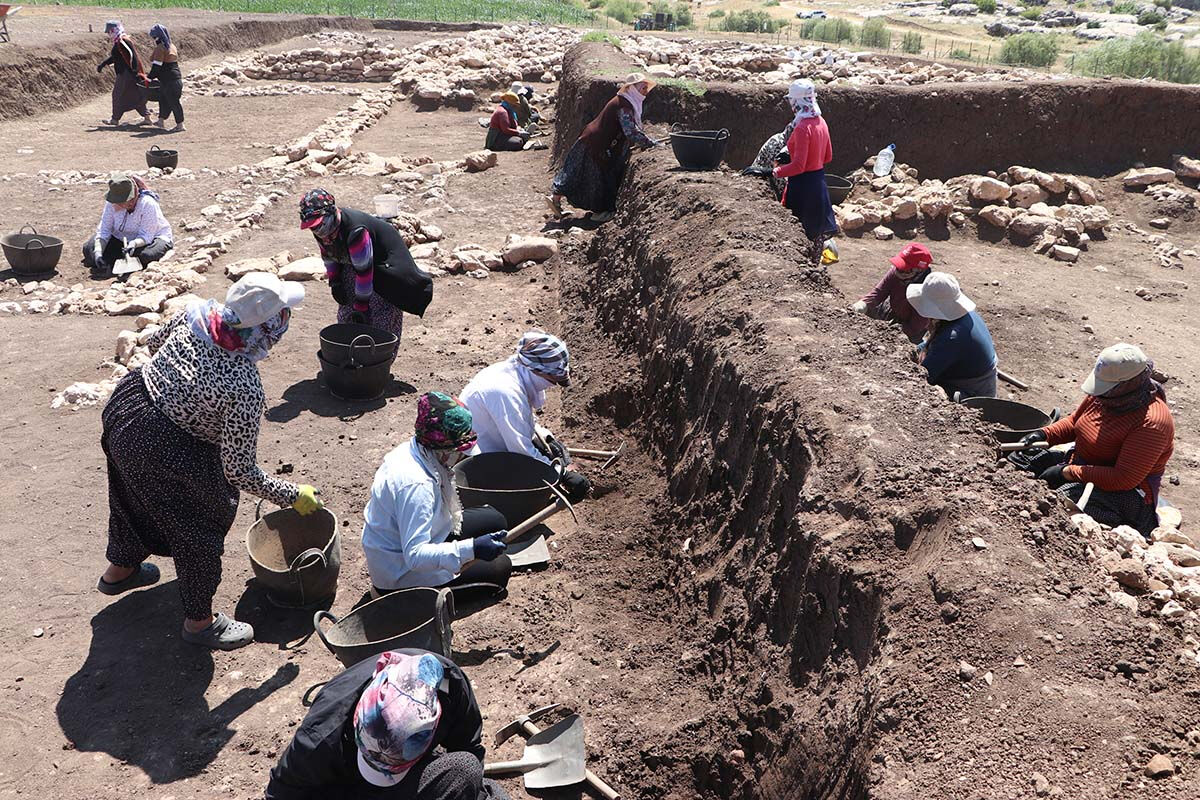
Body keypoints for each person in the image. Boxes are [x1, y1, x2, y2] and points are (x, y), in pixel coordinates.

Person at [96, 272, 321, 650]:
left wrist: (182, 384)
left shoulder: (196, 313)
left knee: (129, 494)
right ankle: (200, 622)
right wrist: (291, 494)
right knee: (199, 524)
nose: (286, 321)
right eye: (282, 315)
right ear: (267, 327)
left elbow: (154, 342)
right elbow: (238, 470)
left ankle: (120, 570)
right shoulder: (245, 387)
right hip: (165, 444)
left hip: (127, 409)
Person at [265, 649, 508, 800]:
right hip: (347, 789)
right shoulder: (319, 737)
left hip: (407, 780)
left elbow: (470, 748)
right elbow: (279, 794)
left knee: (466, 770)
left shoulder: (451, 688)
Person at [362, 392, 512, 596]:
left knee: (496, 520)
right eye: (459, 452)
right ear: (443, 451)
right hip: (402, 575)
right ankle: (401, 599)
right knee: (500, 567)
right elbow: (415, 556)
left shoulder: (420, 447)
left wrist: (470, 547)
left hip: (425, 535)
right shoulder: (416, 485)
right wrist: (472, 549)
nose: (461, 457)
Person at [1019, 344, 1174, 534]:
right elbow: (1076, 422)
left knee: (1060, 507)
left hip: (1123, 493)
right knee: (1021, 459)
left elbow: (1123, 478)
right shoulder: (1107, 397)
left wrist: (1066, 472)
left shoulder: (1152, 422)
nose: (1098, 393)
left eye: (1106, 388)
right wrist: (1045, 434)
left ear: (1128, 384)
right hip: (1081, 464)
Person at [460, 331, 591, 502]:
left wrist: (546, 438)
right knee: (529, 486)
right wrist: (562, 474)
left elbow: (522, 420)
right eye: (552, 380)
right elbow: (521, 451)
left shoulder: (514, 371)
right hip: (475, 461)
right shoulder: (505, 392)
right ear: (536, 370)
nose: (552, 386)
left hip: (493, 442)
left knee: (544, 454)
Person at [300, 188, 433, 341]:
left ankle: (380, 360)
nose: (316, 230)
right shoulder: (323, 229)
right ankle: (350, 351)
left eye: (318, 225)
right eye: (312, 227)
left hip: (386, 267)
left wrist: (361, 306)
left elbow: (364, 273)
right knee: (348, 311)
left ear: (330, 212)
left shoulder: (356, 231)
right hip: (357, 262)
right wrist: (335, 282)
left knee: (380, 318)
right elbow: (329, 255)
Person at [547, 72, 659, 224]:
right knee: (600, 179)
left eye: (646, 88)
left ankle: (556, 198)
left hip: (592, 139)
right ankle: (601, 212)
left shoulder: (625, 101)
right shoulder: (624, 105)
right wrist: (650, 143)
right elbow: (630, 131)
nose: (645, 91)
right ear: (633, 88)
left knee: (575, 171)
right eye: (643, 88)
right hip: (598, 144)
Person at [772, 79, 838, 266]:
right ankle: (812, 273)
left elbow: (799, 166)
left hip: (802, 189)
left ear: (797, 102)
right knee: (816, 237)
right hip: (818, 185)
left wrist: (776, 172)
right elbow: (827, 157)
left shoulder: (802, 128)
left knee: (799, 236)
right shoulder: (821, 122)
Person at [906, 271, 997, 399]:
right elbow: (931, 345)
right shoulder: (964, 316)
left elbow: (925, 375)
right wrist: (914, 350)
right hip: (976, 378)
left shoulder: (952, 337)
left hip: (972, 391)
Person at [82, 172, 173, 277]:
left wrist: (134, 244)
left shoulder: (147, 203)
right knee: (90, 249)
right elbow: (104, 230)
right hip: (121, 239)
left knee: (146, 256)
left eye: (128, 200)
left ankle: (121, 259)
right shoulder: (112, 203)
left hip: (149, 239)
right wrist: (98, 251)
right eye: (121, 202)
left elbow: (147, 235)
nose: (125, 204)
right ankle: (113, 259)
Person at [851, 242, 933, 344]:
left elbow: (916, 326)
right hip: (894, 311)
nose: (898, 270)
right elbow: (879, 292)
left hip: (915, 329)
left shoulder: (927, 290)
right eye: (898, 267)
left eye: (903, 269)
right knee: (868, 309)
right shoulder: (897, 272)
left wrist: (889, 332)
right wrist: (863, 304)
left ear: (918, 270)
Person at [97, 20, 152, 127]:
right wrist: (103, 64)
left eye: (109, 32)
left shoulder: (123, 41)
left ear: (114, 30)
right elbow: (117, 57)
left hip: (126, 74)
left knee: (117, 95)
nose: (109, 34)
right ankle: (147, 118)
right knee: (136, 95)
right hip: (129, 74)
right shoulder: (121, 40)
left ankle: (115, 120)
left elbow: (133, 57)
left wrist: (136, 73)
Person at [148, 24, 184, 132]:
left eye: (154, 37)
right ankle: (161, 121)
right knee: (163, 99)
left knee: (174, 102)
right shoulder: (171, 46)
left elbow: (156, 67)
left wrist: (149, 77)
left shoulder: (160, 48)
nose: (154, 39)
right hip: (172, 79)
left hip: (170, 80)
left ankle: (180, 125)